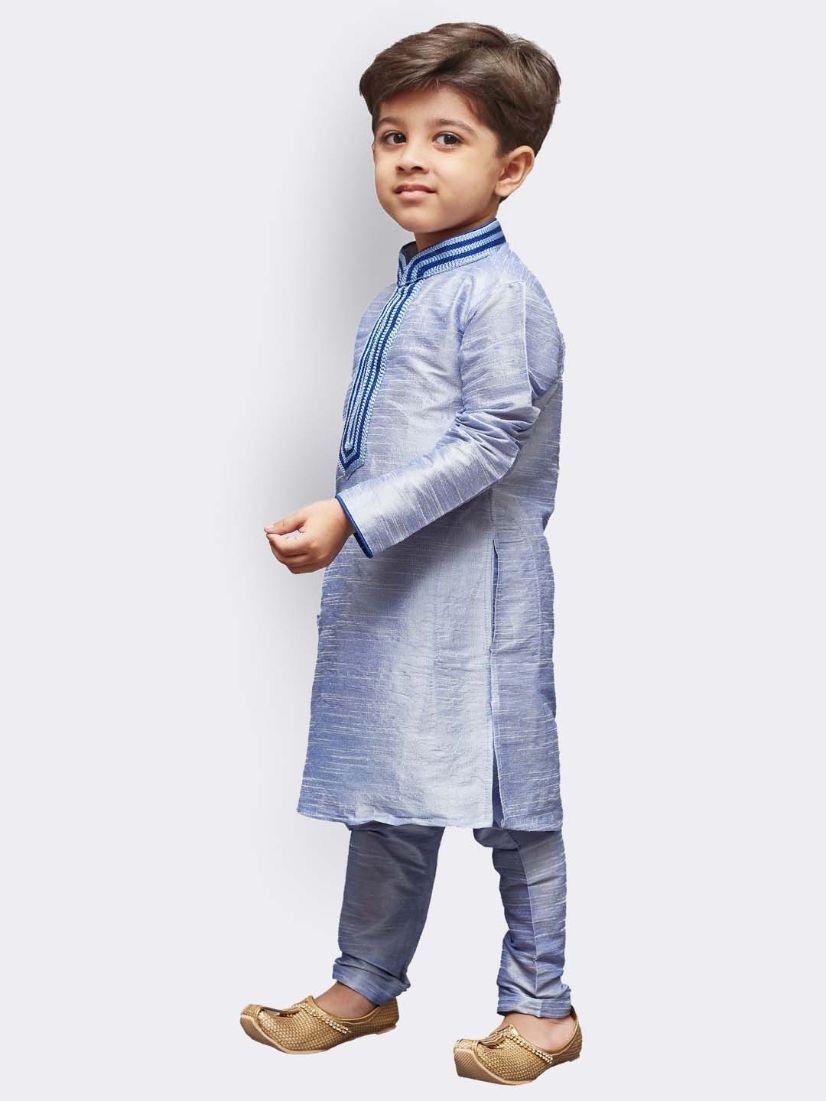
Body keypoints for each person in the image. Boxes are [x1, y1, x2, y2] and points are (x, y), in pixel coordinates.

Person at [241, 22, 582, 1085]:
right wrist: (358, 529)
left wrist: (352, 515)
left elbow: (487, 441)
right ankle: (365, 984)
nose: (411, 160)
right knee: (389, 791)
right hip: (399, 588)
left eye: (446, 138)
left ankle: (543, 1007)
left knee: (512, 806)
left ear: (511, 169)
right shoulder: (411, 285)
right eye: (393, 136)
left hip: (480, 601)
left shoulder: (498, 294)